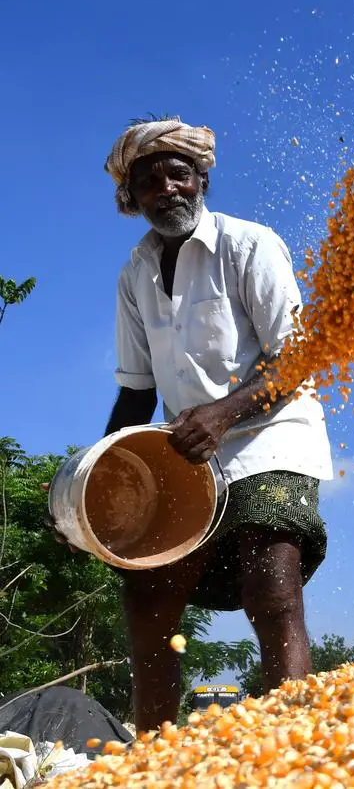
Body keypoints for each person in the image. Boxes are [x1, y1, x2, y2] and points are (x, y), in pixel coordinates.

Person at [51, 116, 334, 734]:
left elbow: (297, 358)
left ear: (201, 178)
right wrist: (87, 488)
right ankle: (155, 755)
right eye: (148, 183)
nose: (166, 190)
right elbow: (136, 392)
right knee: (147, 595)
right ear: (130, 198)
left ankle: (295, 739)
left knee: (270, 585)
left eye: (178, 175)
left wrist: (224, 413)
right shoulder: (135, 274)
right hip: (186, 453)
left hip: (270, 432)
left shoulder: (249, 245)